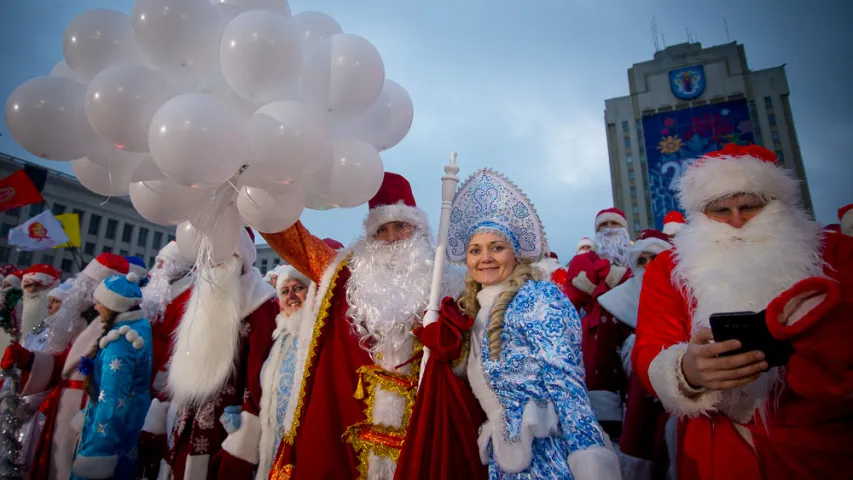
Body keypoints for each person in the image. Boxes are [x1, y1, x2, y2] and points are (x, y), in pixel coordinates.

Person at [633, 144, 853, 479]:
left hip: (830, 442)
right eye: (721, 211)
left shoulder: (838, 252)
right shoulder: (669, 268)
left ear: (778, 203)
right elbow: (651, 347)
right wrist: (687, 371)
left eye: (750, 206)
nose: (737, 221)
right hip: (723, 444)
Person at [263, 172, 461, 479]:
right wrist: (262, 191)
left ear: (418, 230)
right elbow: (293, 240)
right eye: (382, 229)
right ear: (370, 237)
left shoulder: (445, 282)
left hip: (423, 429)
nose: (393, 237)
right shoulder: (343, 276)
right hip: (347, 427)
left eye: (401, 226)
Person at [436, 168, 620, 478]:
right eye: (475, 250)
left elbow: (567, 384)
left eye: (497, 247)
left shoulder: (538, 298)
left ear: (515, 253)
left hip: (549, 457)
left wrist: (588, 459)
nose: (486, 259)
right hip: (505, 457)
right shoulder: (476, 308)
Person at [159, 227, 278, 479]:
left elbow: (260, 375)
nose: (213, 264)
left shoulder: (261, 302)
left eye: (220, 257)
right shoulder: (199, 297)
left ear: (239, 257)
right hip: (184, 418)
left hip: (225, 426)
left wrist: (246, 430)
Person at [2, 253, 129, 480]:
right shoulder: (77, 321)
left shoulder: (112, 327)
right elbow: (64, 365)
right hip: (63, 403)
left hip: (85, 408)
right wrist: (29, 360)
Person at [598, 230, 674, 480]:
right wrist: (611, 421)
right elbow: (602, 365)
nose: (649, 266)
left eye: (656, 258)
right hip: (634, 414)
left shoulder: (682, 298)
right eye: (642, 260)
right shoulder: (614, 303)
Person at [70, 272, 152, 479]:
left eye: (99, 303)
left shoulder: (120, 344)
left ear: (113, 305)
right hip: (127, 429)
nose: (96, 307)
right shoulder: (138, 328)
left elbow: (113, 400)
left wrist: (97, 452)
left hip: (108, 440)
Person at [562, 208, 633, 439]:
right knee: (601, 387)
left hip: (632, 329)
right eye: (604, 225)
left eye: (615, 223)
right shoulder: (586, 261)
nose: (610, 229)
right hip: (597, 333)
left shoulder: (636, 256)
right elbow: (571, 300)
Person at [135, 241, 194, 479]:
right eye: (158, 261)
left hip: (162, 379)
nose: (156, 268)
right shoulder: (157, 291)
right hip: (143, 369)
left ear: (178, 266)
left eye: (163, 263)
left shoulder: (189, 295)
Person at [256, 266, 312, 479]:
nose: (291, 296)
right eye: (285, 291)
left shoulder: (315, 334)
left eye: (298, 288)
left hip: (301, 445)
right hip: (272, 444)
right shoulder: (280, 336)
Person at [19, 264, 61, 336]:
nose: (32, 289)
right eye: (28, 285)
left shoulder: (57, 309)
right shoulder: (16, 306)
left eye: (38, 285)